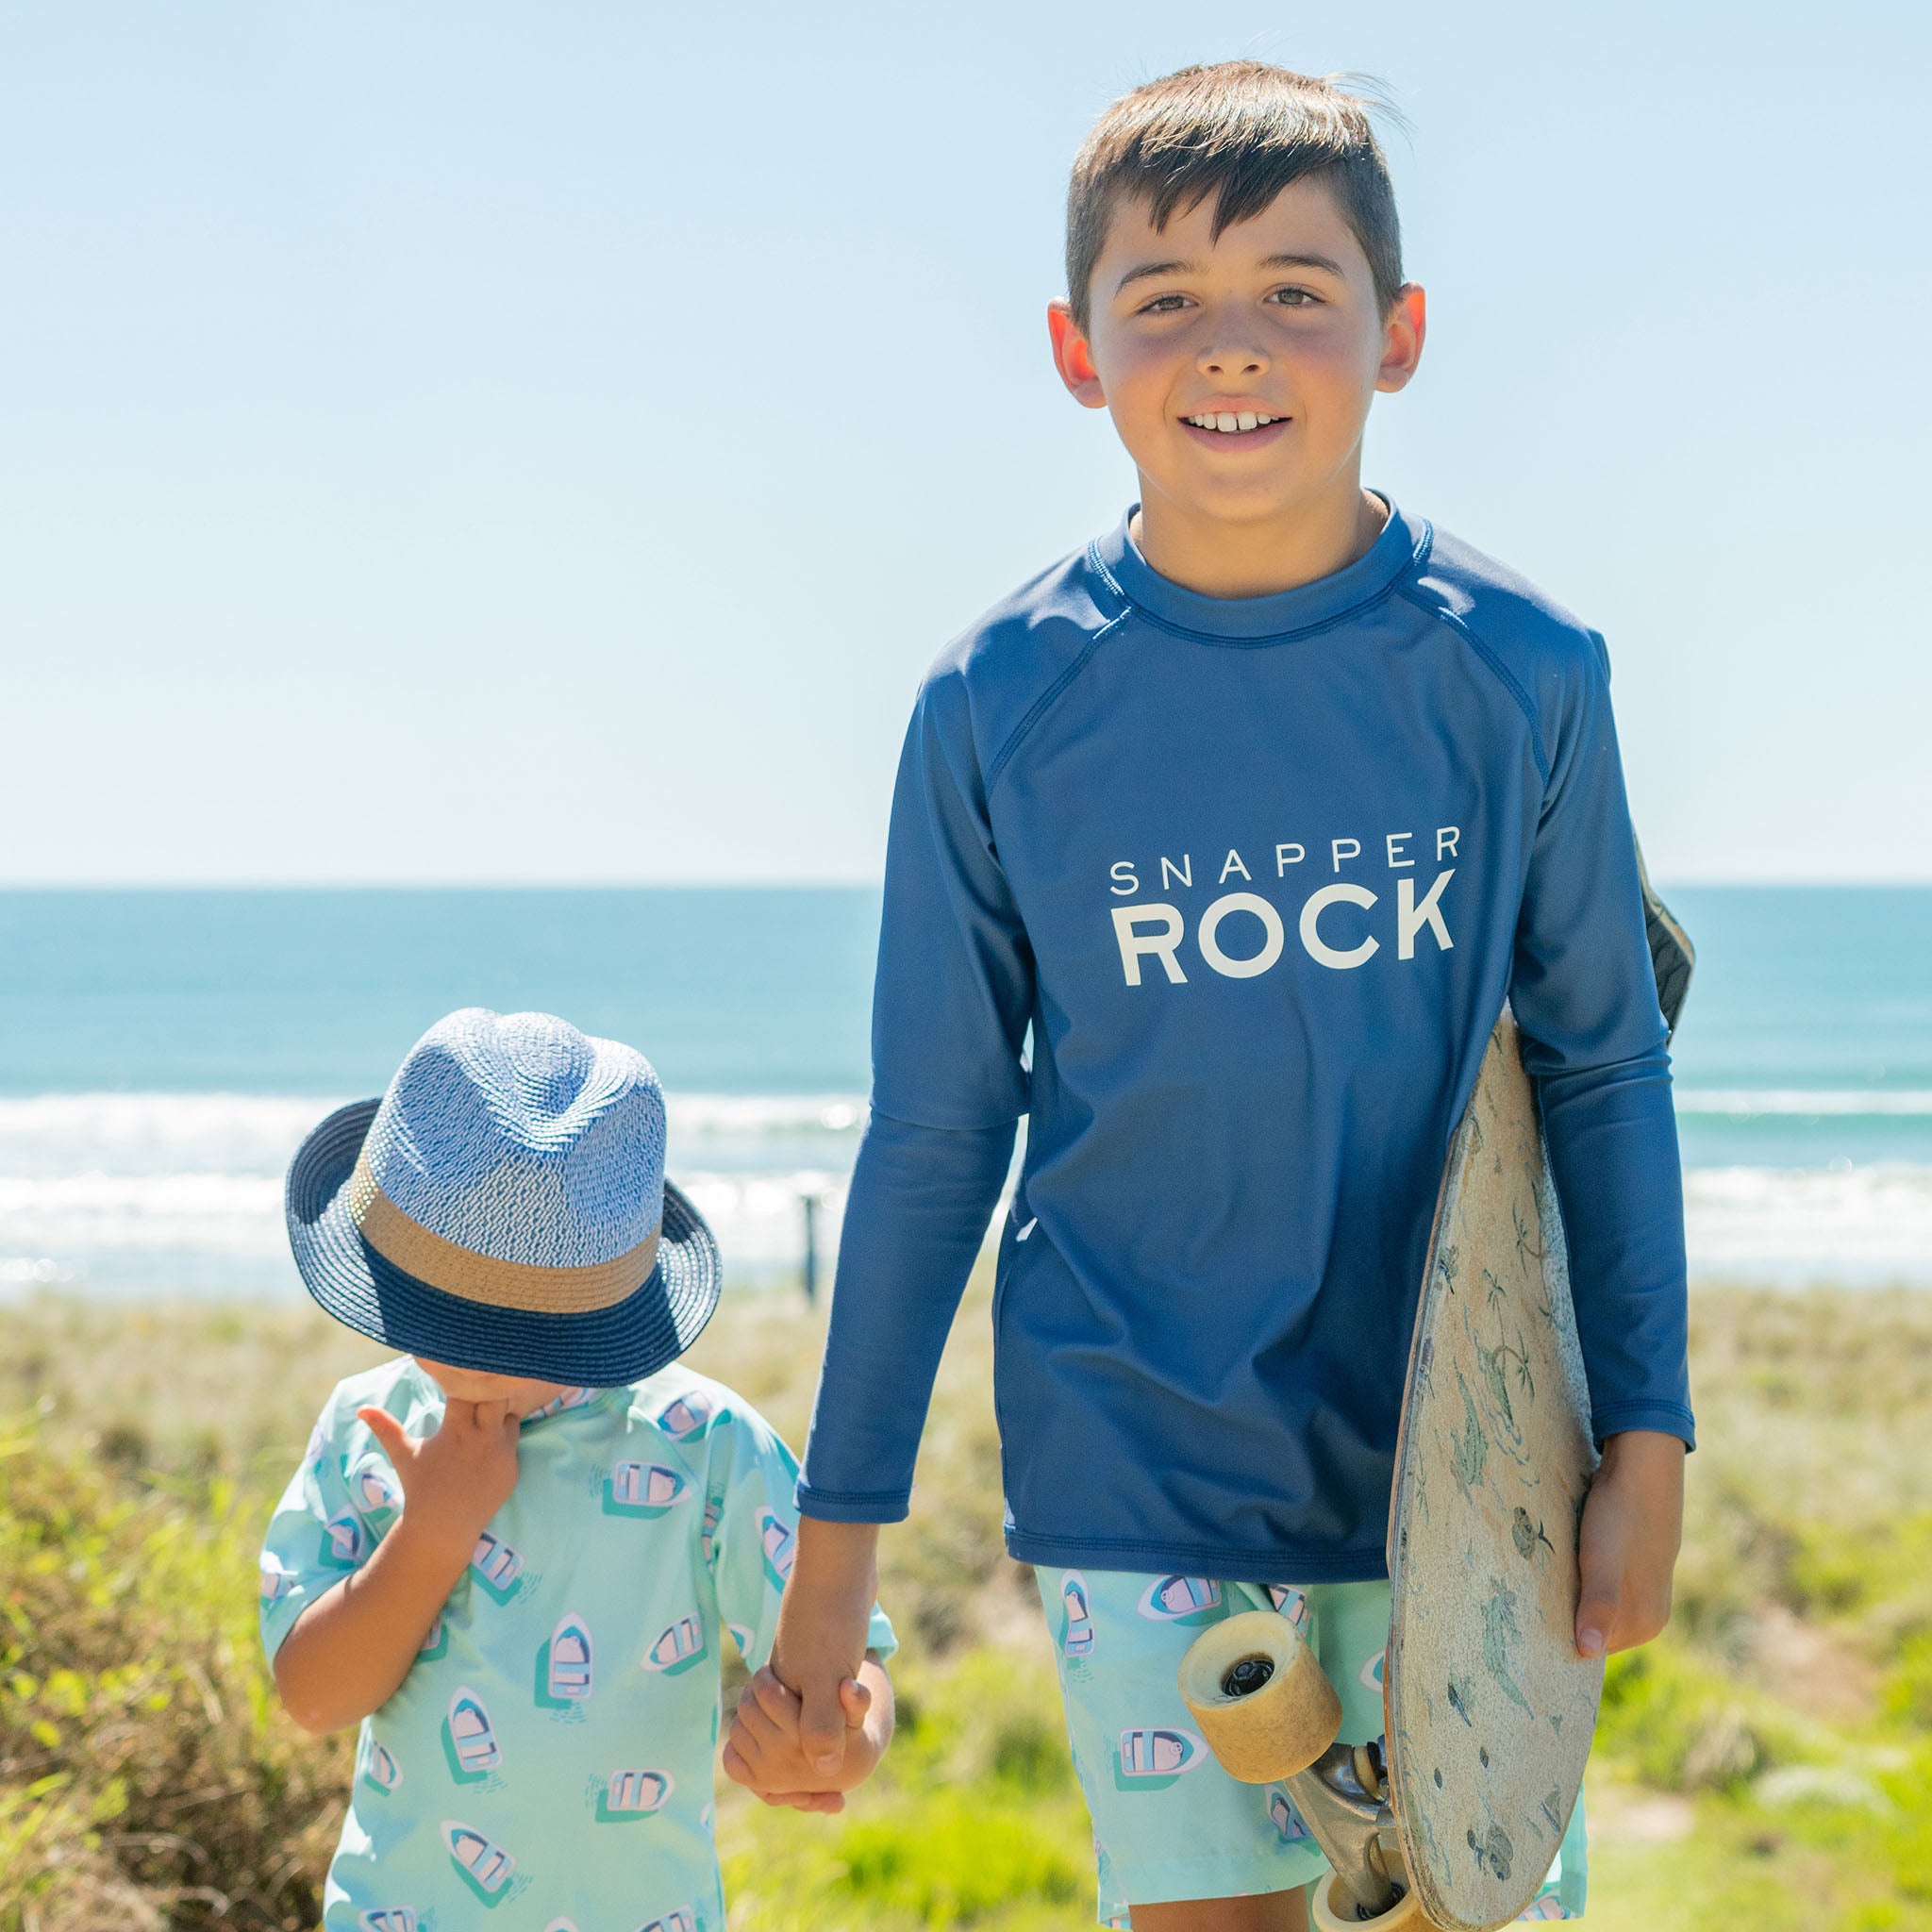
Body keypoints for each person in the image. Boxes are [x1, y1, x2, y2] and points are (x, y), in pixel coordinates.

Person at [756, 61, 1692, 1931]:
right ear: (1072, 345)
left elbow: (1598, 1064)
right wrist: (830, 1571)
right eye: (1162, 298)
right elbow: (935, 1140)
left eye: (1296, 287)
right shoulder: (995, 707)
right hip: (1138, 1459)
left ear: (1398, 333)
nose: (1229, 344)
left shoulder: (1520, 669)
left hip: (1468, 1465)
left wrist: (1644, 1437)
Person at [260, 1007, 895, 1932]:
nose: (460, 1356)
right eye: (437, 1322)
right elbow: (315, 1693)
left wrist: (841, 1744)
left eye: (496, 1330)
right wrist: (431, 1529)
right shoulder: (371, 1427)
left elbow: (843, 1655)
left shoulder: (701, 1440)